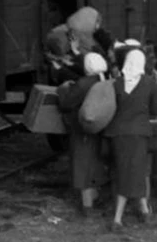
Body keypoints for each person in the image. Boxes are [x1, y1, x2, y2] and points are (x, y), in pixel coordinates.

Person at [103, 49, 157, 229]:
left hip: (118, 135)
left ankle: (143, 211)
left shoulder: (116, 84)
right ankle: (118, 218)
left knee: (124, 172)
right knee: (136, 172)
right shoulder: (150, 84)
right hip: (139, 134)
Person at [57, 53, 110, 218]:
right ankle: (96, 196)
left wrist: (63, 89)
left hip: (82, 131)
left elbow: (66, 103)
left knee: (82, 167)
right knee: (95, 164)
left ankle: (87, 207)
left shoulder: (83, 84)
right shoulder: (105, 81)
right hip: (100, 130)